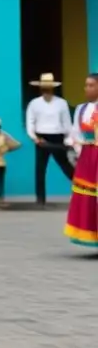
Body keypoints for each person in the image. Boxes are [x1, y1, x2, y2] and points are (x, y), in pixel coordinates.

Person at [25, 72, 74, 206]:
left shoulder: (61, 103)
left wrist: (69, 139)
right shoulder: (34, 104)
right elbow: (30, 123)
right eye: (44, 88)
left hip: (57, 137)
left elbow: (67, 124)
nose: (46, 90)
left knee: (66, 167)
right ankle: (40, 199)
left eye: (48, 87)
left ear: (52, 88)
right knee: (40, 169)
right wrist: (34, 137)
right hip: (41, 138)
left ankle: (84, 191)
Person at [65, 73, 98, 249]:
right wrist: (78, 150)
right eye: (86, 85)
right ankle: (92, 236)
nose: (87, 88)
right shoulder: (81, 109)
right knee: (88, 197)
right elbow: (75, 133)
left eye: (91, 85)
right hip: (87, 156)